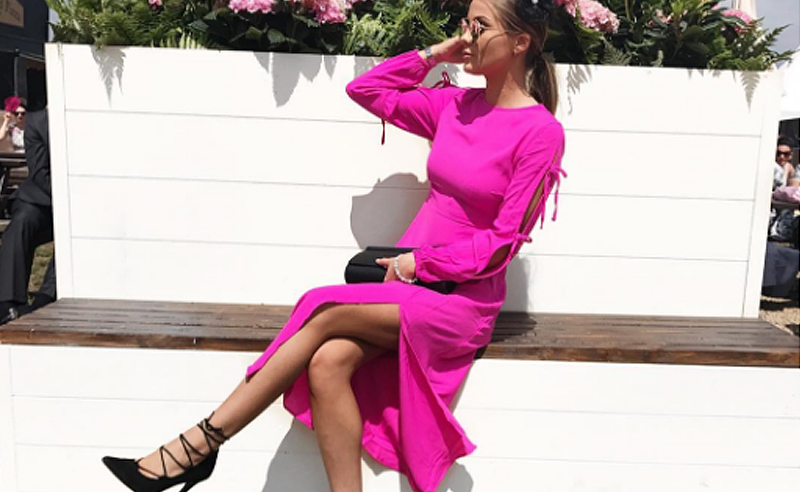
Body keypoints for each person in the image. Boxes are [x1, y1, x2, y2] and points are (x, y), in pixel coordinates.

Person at [101, 0, 566, 491]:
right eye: (466, 24)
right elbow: (365, 89)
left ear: (521, 42)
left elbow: (501, 245)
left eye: (480, 26)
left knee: (321, 305)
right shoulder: (453, 106)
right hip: (405, 280)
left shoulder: (540, 133)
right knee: (327, 363)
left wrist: (421, 264)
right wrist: (434, 53)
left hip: (459, 298)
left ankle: (199, 445)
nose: (467, 35)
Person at [0, 108, 56, 325]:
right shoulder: (37, 122)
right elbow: (40, 172)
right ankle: (8, 302)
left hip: (82, 199)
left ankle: (43, 300)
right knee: (21, 222)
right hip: (40, 196)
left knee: (75, 234)